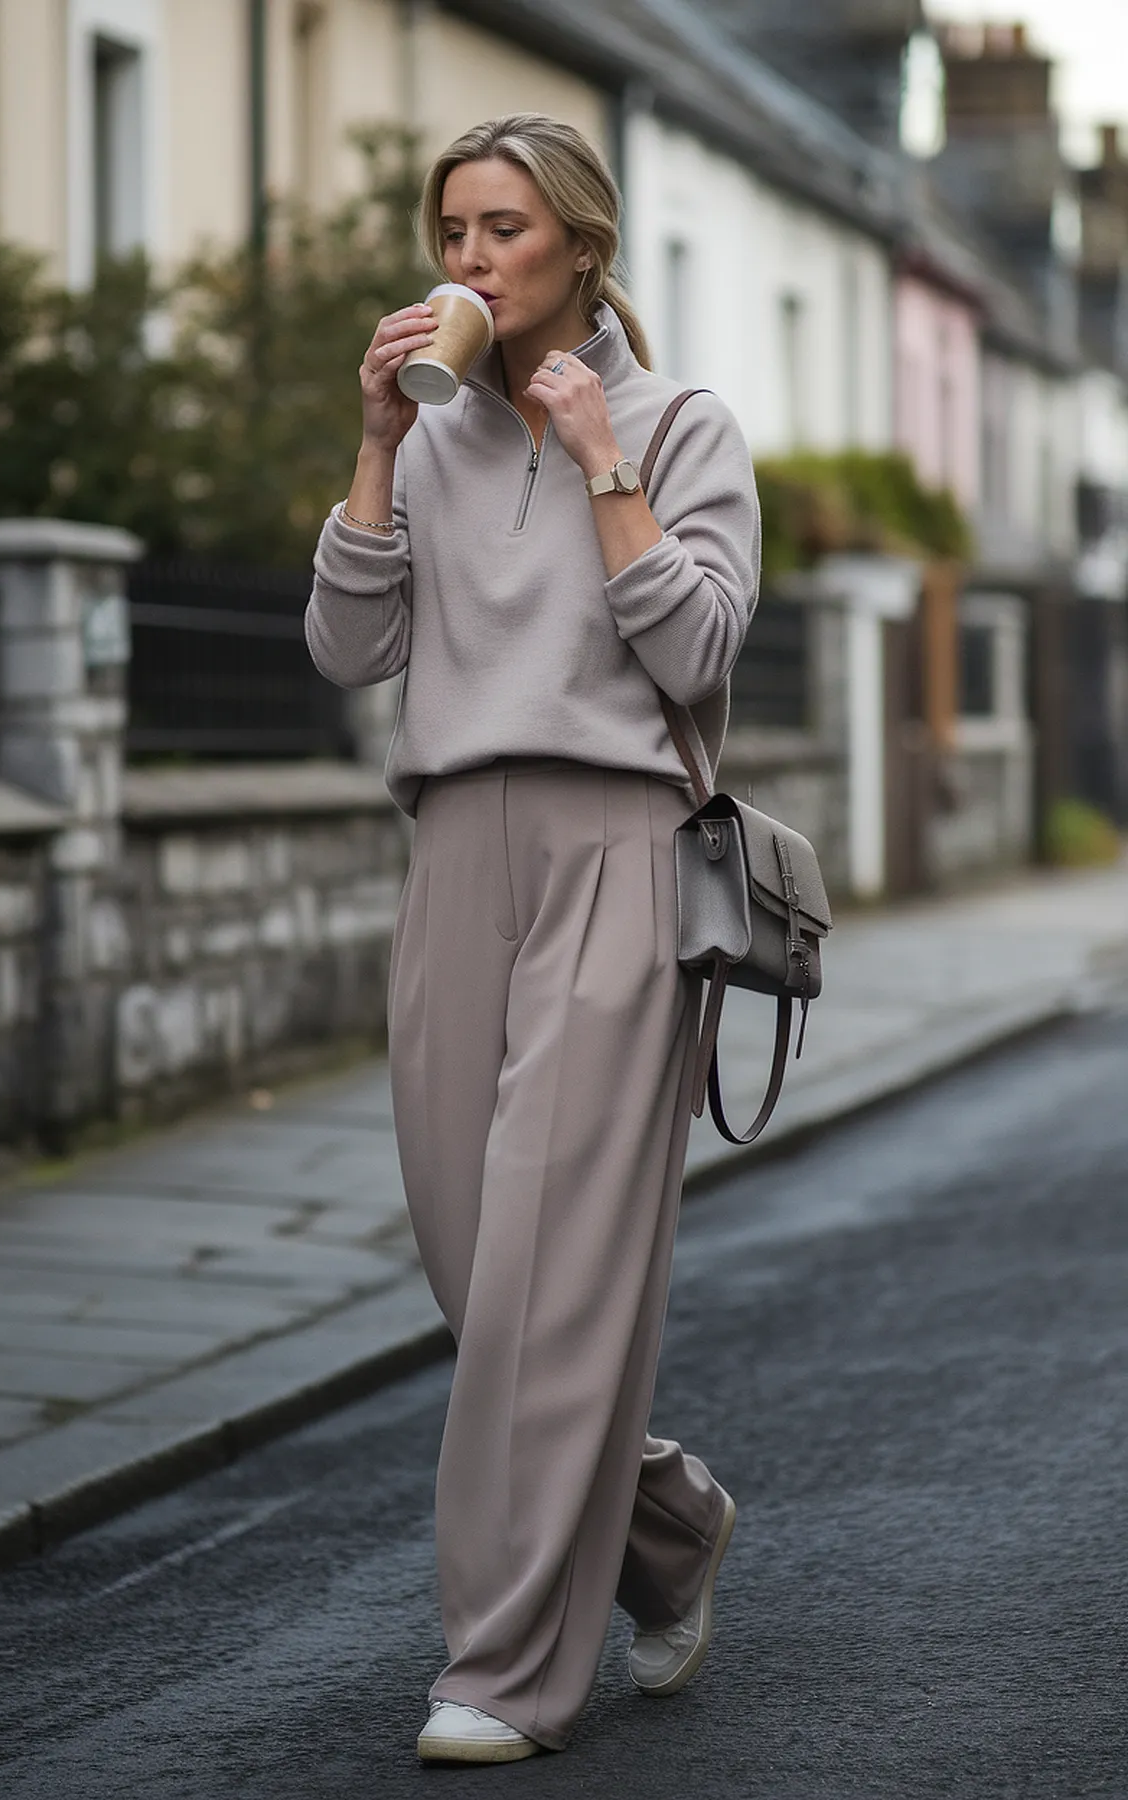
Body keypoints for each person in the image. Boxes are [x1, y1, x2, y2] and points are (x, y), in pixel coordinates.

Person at [305, 112, 760, 1765]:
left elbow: (700, 652)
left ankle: (498, 1672)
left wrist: (602, 460)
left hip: (618, 850)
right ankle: (669, 1526)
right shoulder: (424, 442)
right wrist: (370, 441)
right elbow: (351, 648)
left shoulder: (683, 423)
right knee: (475, 1271)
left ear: (579, 243)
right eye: (448, 235)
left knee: (552, 1270)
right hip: (455, 853)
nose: (468, 264)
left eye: (500, 231)